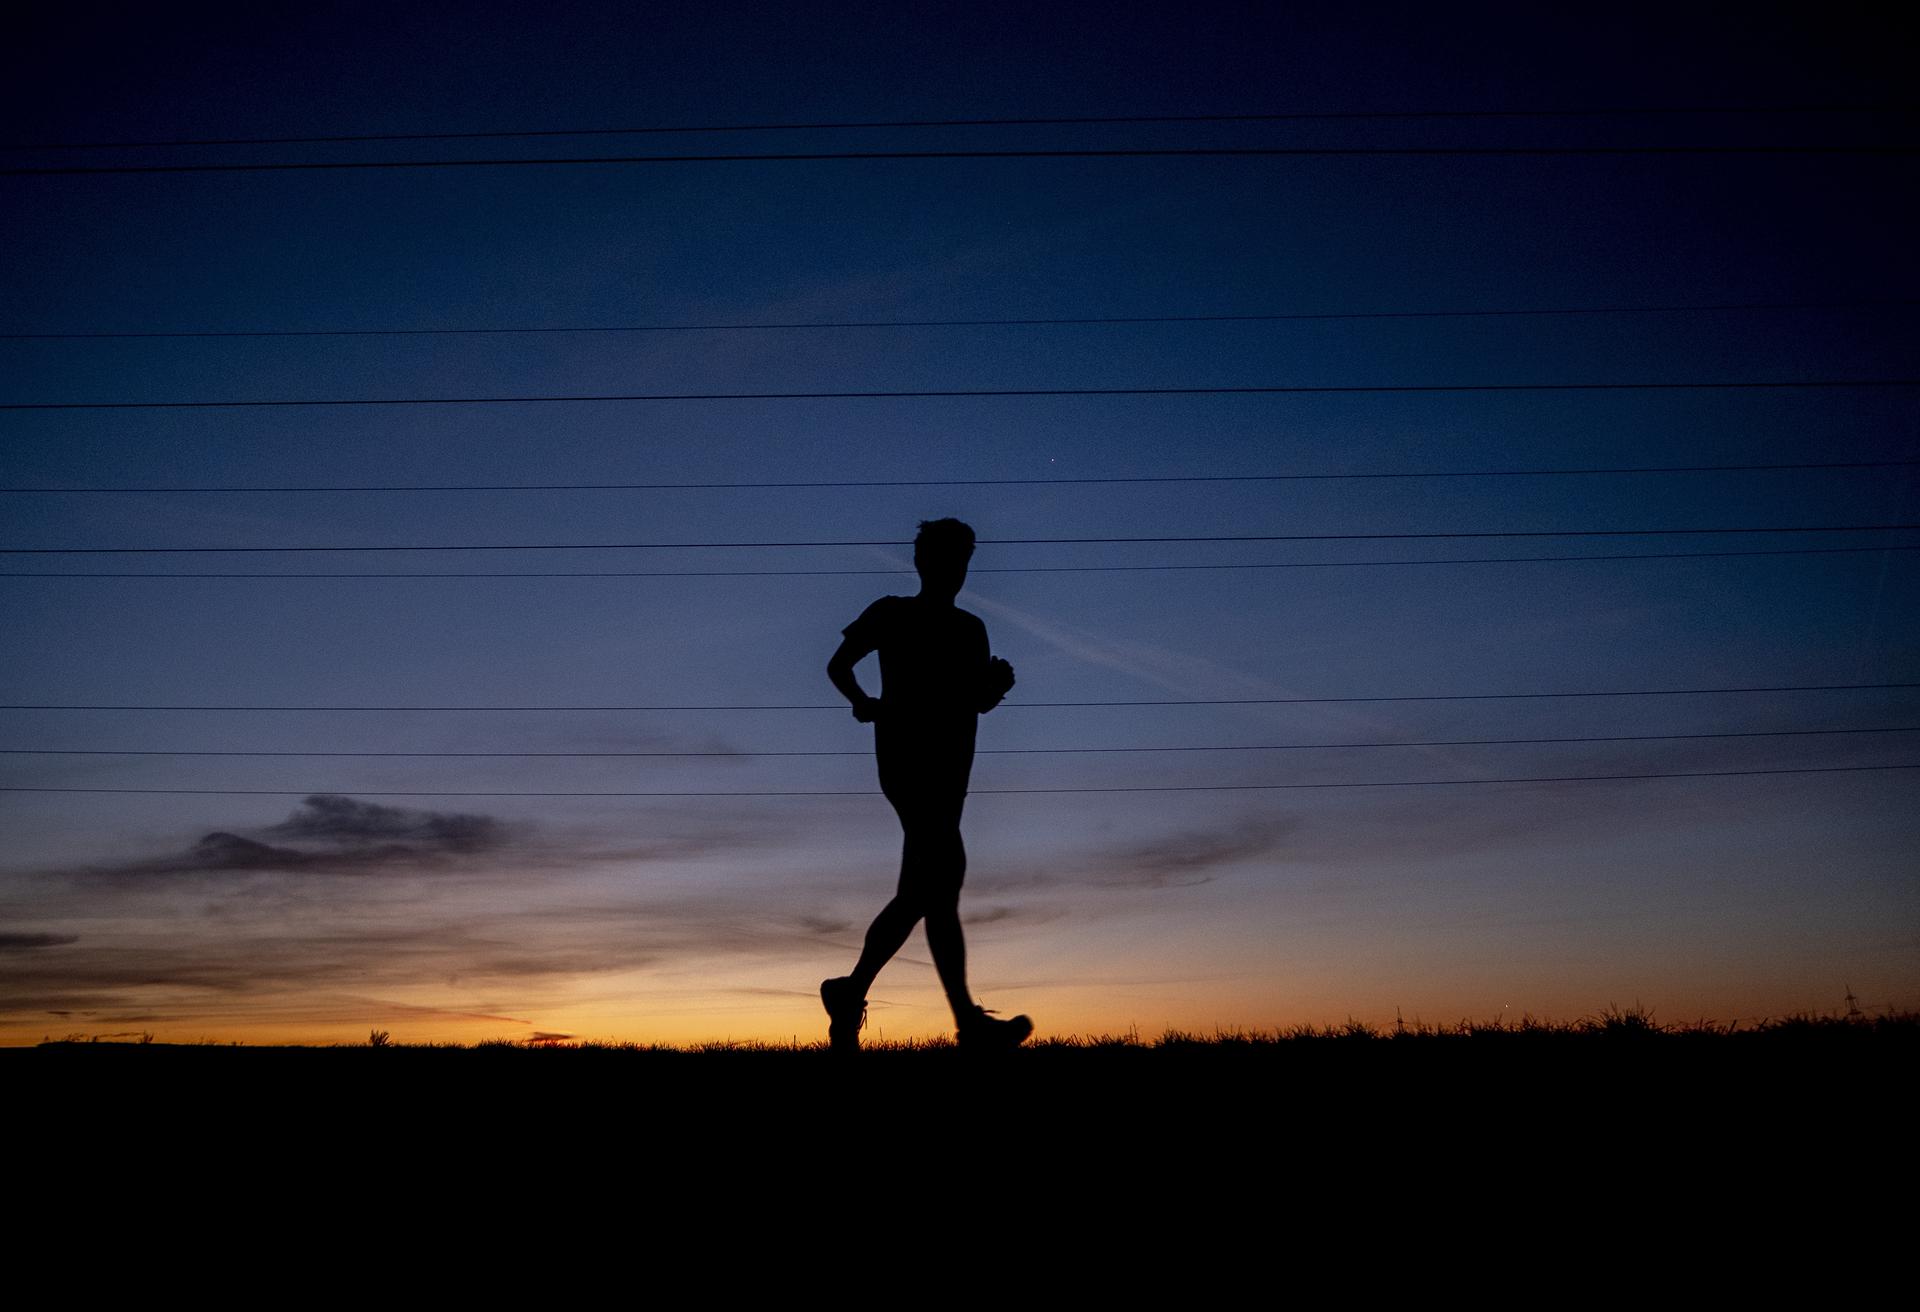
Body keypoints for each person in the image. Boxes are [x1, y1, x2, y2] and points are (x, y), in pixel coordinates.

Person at [820, 517, 1033, 1052]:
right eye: (943, 559)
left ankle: (849, 992)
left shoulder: (971, 629)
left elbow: (971, 702)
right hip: (907, 763)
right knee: (941, 881)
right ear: (921, 562)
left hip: (953, 769)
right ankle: (968, 1023)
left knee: (924, 890)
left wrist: (995, 689)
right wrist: (862, 702)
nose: (953, 571)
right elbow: (839, 664)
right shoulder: (891, 613)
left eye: (961, 561)